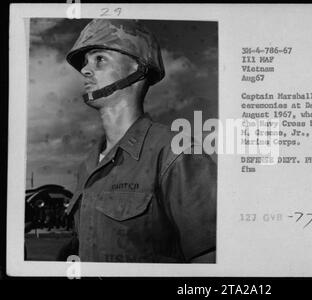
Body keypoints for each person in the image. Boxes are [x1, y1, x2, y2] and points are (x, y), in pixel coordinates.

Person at [63, 19, 216, 263]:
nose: (85, 70)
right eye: (85, 62)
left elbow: (208, 261)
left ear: (138, 68)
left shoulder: (176, 152)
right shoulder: (89, 165)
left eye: (99, 59)